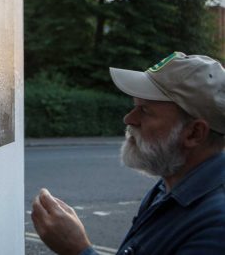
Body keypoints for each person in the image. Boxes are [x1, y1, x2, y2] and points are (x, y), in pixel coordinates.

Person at [31, 51, 225, 255]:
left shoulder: (217, 225)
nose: (129, 119)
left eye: (146, 110)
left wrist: (77, 249)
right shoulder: (170, 185)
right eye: (135, 107)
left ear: (194, 133)